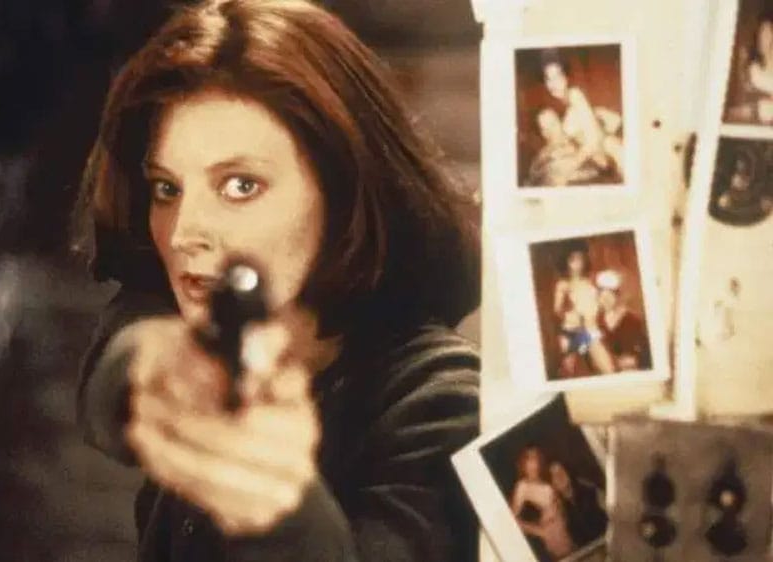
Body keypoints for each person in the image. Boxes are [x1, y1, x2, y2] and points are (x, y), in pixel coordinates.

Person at [74, 1, 481, 560]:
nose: (185, 232)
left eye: (240, 186)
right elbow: (116, 361)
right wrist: (149, 367)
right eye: (167, 188)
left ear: (342, 189)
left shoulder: (439, 404)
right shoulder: (183, 322)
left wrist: (276, 504)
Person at [538, 49, 624, 183]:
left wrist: (573, 163)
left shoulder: (575, 95)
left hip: (617, 152)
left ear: (566, 77)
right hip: (607, 161)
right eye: (549, 79)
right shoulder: (562, 112)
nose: (554, 83)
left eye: (558, 76)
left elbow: (595, 139)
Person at [553, 244, 615, 377]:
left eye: (580, 259)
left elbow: (599, 305)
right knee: (568, 373)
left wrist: (605, 303)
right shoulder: (563, 284)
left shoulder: (590, 282)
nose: (577, 263)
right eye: (573, 260)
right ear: (566, 262)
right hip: (573, 330)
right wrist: (571, 314)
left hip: (591, 329)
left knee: (608, 370)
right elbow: (557, 310)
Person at [510, 446, 575, 560]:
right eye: (529, 458)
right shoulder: (522, 486)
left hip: (565, 526)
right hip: (553, 531)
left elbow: (567, 495)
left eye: (536, 457)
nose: (533, 462)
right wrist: (540, 532)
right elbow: (511, 520)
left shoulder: (544, 476)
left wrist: (562, 480)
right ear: (523, 463)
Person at [594, 270, 651, 371]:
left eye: (609, 296)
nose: (606, 300)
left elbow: (648, 351)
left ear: (617, 296)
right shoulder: (597, 320)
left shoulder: (631, 319)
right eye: (602, 296)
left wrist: (635, 360)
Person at [548, 460, 607, 548]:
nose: (560, 476)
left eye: (561, 471)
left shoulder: (591, 491)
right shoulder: (561, 512)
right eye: (555, 475)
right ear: (553, 484)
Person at [728, 15, 773, 124]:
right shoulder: (748, 73)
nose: (767, 40)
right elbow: (731, 112)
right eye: (763, 34)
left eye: (770, 33)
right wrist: (755, 111)